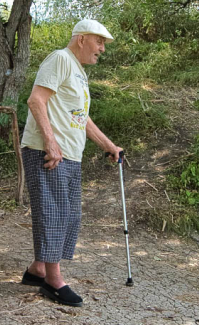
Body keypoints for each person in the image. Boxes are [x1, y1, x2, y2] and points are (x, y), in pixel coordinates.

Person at [20, 19, 123, 308]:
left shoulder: (78, 72)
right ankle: (53, 281)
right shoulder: (61, 59)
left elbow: (80, 117)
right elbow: (36, 101)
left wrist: (108, 146)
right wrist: (51, 143)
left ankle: (37, 269)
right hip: (49, 151)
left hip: (69, 154)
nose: (102, 49)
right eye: (99, 41)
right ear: (81, 39)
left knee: (68, 215)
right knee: (54, 214)